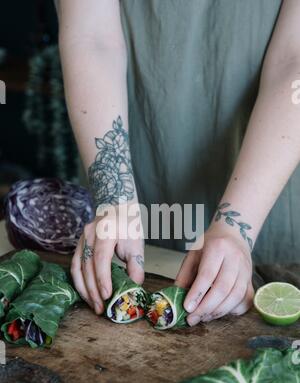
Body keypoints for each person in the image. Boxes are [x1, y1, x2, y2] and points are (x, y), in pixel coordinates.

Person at [55, 0, 300, 326]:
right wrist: (115, 200)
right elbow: (92, 37)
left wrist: (235, 229)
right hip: (139, 159)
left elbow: (294, 61)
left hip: (270, 160)